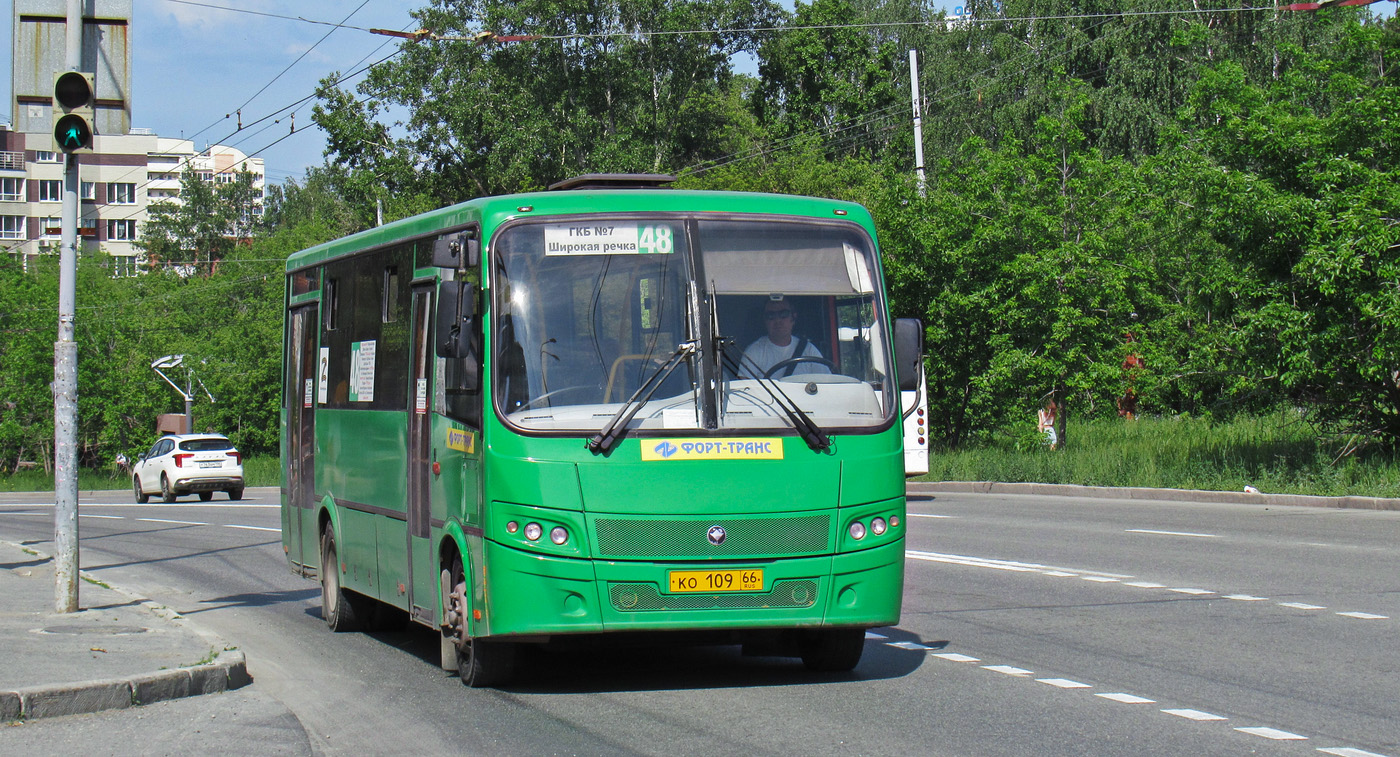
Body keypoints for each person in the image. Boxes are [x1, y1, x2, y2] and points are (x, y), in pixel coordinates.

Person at [740, 297, 831, 378]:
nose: (778, 320)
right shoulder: (754, 352)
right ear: (765, 321)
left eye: (783, 314)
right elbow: (744, 388)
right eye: (771, 316)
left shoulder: (809, 350)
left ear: (793, 318)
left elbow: (827, 383)